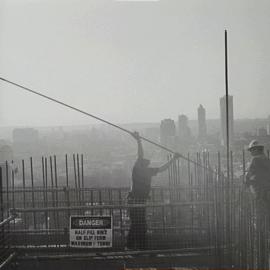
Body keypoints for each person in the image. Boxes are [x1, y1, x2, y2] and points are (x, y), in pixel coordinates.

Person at [126, 131, 180, 250]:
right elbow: (161, 168)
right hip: (137, 201)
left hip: (137, 201)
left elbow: (159, 167)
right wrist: (174, 159)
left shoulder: (138, 170)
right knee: (139, 224)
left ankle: (136, 247)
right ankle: (137, 247)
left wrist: (139, 140)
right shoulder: (143, 171)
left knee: (138, 224)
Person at [245, 140, 270, 268]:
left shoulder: (254, 161)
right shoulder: (267, 160)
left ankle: (261, 239)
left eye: (251, 151)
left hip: (259, 194)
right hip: (267, 194)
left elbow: (247, 178)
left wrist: (246, 183)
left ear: (255, 150)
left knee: (259, 220)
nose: (251, 153)